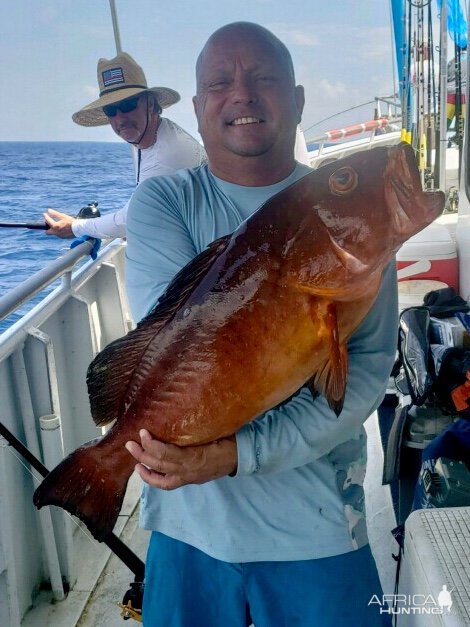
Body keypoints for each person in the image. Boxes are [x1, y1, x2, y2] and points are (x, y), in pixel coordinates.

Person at [124, 22, 397, 626]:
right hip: (190, 528)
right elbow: (177, 347)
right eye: (220, 83)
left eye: (264, 78)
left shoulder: (349, 212)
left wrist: (231, 455)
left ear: (298, 100)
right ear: (197, 109)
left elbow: (365, 374)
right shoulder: (163, 204)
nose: (242, 95)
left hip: (320, 525)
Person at [44, 52, 206, 239]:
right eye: (111, 110)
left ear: (151, 105)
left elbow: (130, 220)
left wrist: (75, 227)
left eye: (129, 105)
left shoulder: (166, 157)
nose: (120, 118)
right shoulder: (159, 133)